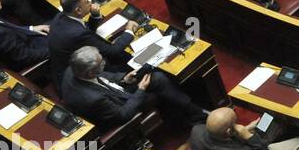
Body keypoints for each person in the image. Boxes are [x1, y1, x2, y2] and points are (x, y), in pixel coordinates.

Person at [60, 46, 201, 128]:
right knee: (157, 89)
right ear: (90, 72)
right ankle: (190, 117)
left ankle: (190, 111)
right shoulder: (94, 99)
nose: (104, 62)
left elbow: (104, 77)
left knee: (156, 77)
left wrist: (124, 79)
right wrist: (140, 90)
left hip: (115, 92)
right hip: (120, 106)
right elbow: (123, 115)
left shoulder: (74, 69)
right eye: (101, 63)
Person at [46, 0, 137, 83]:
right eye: (87, 2)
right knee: (131, 62)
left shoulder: (61, 16)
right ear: (78, 10)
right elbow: (113, 51)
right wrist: (129, 31)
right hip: (78, 76)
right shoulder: (77, 34)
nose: (91, 2)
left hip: (68, 63)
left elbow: (86, 30)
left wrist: (95, 15)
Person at [0, 0, 50, 70]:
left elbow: (11, 29)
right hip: (36, 51)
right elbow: (25, 57)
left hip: (29, 40)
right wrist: (57, 48)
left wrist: (31, 28)